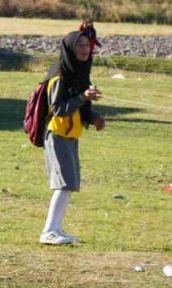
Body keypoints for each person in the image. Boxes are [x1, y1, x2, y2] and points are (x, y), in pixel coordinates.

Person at [39, 31, 105, 245]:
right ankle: (48, 231)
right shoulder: (59, 75)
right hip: (57, 133)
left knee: (70, 183)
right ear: (69, 48)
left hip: (70, 133)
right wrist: (82, 97)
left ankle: (56, 228)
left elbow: (80, 107)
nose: (85, 49)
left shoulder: (78, 73)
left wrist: (93, 117)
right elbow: (58, 109)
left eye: (87, 45)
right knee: (64, 183)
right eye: (80, 45)